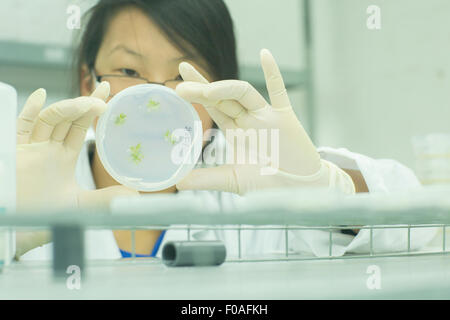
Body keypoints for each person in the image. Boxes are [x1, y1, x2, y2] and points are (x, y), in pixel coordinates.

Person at [15, 0, 426, 260]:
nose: (158, 99)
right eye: (128, 70)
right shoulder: (35, 188)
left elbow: (423, 229)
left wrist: (326, 189)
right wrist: (11, 232)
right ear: (89, 84)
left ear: (218, 91)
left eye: (181, 75)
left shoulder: (255, 187)